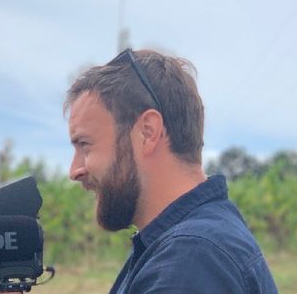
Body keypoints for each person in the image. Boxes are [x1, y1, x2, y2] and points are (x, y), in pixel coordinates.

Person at [64, 48, 278, 293]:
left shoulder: (191, 259)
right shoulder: (190, 244)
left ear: (148, 132)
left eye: (84, 145)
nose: (74, 170)